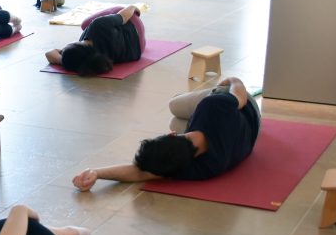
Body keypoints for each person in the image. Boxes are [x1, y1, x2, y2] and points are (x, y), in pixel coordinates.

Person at [72, 76, 260, 190]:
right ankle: (181, 99)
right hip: (244, 111)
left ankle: (181, 103)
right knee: (174, 109)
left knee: (175, 114)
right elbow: (240, 97)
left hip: (248, 133)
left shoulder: (200, 169)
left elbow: (139, 174)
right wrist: (233, 80)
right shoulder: (213, 107)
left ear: (172, 135)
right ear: (171, 135)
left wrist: (97, 173)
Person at [45, 4, 146, 76]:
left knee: (88, 26)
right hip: (135, 25)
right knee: (86, 24)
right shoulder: (98, 26)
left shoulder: (95, 61)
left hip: (139, 50)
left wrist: (65, 62)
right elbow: (124, 16)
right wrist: (133, 7)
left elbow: (49, 54)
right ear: (80, 45)